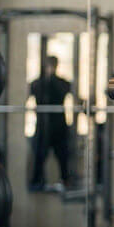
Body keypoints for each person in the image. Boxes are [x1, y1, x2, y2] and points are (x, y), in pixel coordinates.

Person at [28, 55, 73, 191]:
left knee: (63, 156)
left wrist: (51, 78)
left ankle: (65, 181)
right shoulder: (37, 83)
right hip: (43, 126)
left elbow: (64, 91)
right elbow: (33, 92)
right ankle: (37, 182)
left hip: (58, 126)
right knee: (39, 156)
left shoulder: (62, 83)